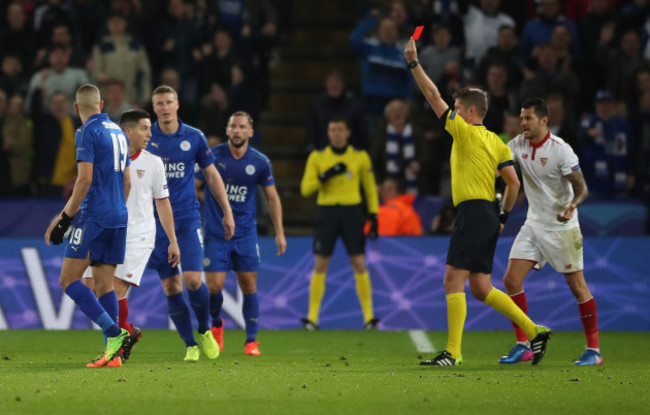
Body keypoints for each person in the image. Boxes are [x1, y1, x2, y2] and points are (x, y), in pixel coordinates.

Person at [404, 37, 552, 366]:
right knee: (481, 287)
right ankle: (534, 331)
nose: (452, 113)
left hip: (472, 212)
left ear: (471, 112)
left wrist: (414, 63)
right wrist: (502, 216)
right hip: (488, 213)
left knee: (452, 279)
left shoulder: (465, 132)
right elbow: (513, 183)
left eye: (457, 109)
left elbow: (432, 95)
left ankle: (453, 353)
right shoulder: (499, 144)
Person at [500, 97, 601, 365]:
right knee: (511, 280)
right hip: (534, 224)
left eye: (528, 118)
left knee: (577, 286)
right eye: (521, 118)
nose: (523, 123)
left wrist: (572, 206)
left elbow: (582, 189)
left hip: (562, 227)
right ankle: (524, 345)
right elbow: (497, 161)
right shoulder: (518, 144)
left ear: (544, 121)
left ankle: (594, 350)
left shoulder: (561, 150)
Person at [82, 109, 180, 361]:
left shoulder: (153, 163)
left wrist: (172, 240)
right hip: (109, 230)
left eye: (150, 128)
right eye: (145, 128)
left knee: (114, 288)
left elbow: (163, 203)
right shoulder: (108, 158)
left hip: (138, 234)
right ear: (128, 131)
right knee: (90, 285)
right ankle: (125, 331)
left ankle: (114, 351)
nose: (150, 133)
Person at [43, 84, 130, 367]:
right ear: (101, 104)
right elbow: (127, 181)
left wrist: (65, 218)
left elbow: (84, 179)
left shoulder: (86, 132)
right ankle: (113, 356)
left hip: (95, 216)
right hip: (119, 215)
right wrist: (116, 207)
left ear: (77, 107)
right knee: (105, 286)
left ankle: (114, 333)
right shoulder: (119, 132)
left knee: (68, 280)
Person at [146, 85, 235, 362]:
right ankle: (189, 344)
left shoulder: (194, 137)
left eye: (168, 101)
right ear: (154, 108)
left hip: (186, 218)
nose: (164, 107)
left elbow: (211, 176)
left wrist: (227, 210)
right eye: (159, 103)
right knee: (172, 287)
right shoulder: (146, 138)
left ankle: (205, 329)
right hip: (156, 223)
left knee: (194, 280)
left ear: (177, 104)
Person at [196, 110, 286, 356]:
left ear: (250, 132)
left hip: (246, 234)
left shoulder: (260, 162)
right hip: (216, 234)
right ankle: (217, 324)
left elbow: (272, 197)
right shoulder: (211, 157)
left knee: (249, 284)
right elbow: (192, 186)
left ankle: (251, 341)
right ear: (227, 130)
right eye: (233, 126)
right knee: (214, 287)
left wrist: (280, 232)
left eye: (242, 126)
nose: (237, 130)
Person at [300, 117, 380, 330]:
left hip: (352, 212)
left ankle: (369, 318)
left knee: (359, 263)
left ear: (348, 133)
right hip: (327, 212)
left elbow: (370, 188)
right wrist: (325, 175)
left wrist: (373, 216)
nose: (336, 133)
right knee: (320, 264)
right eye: (332, 129)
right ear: (328, 133)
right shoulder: (317, 157)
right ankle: (312, 318)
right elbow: (306, 189)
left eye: (340, 129)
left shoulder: (360, 157)